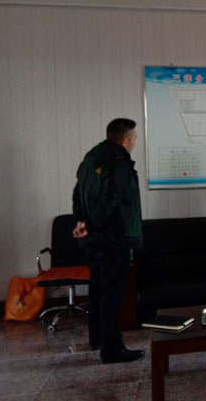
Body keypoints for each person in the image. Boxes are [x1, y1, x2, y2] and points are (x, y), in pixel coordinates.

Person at [72, 118, 145, 364]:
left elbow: (77, 192)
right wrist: (91, 224)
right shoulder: (118, 162)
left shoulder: (91, 158)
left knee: (98, 290)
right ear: (124, 140)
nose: (134, 142)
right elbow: (111, 199)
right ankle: (112, 349)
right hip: (114, 239)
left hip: (94, 240)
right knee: (112, 294)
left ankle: (97, 338)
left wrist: (81, 222)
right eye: (134, 138)